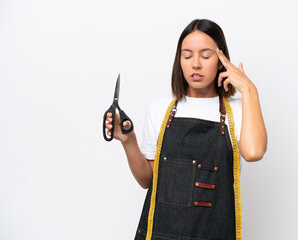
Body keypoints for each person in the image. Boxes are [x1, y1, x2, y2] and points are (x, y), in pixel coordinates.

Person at [104, 19, 267, 240]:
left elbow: (254, 152)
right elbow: (147, 180)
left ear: (221, 61)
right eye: (187, 56)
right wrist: (128, 140)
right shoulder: (160, 109)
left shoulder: (238, 110)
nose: (196, 64)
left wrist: (249, 89)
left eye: (206, 56)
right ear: (179, 61)